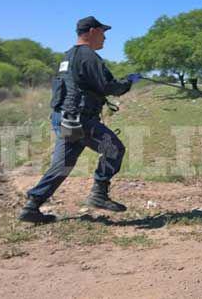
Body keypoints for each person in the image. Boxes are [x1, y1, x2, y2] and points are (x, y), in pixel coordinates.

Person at [18, 16, 142, 223]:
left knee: (63, 165)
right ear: (92, 31)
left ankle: (32, 205)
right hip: (79, 119)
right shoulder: (88, 56)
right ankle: (99, 194)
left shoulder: (68, 56)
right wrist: (129, 81)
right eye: (103, 32)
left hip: (64, 118)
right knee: (114, 149)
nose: (105, 37)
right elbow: (109, 87)